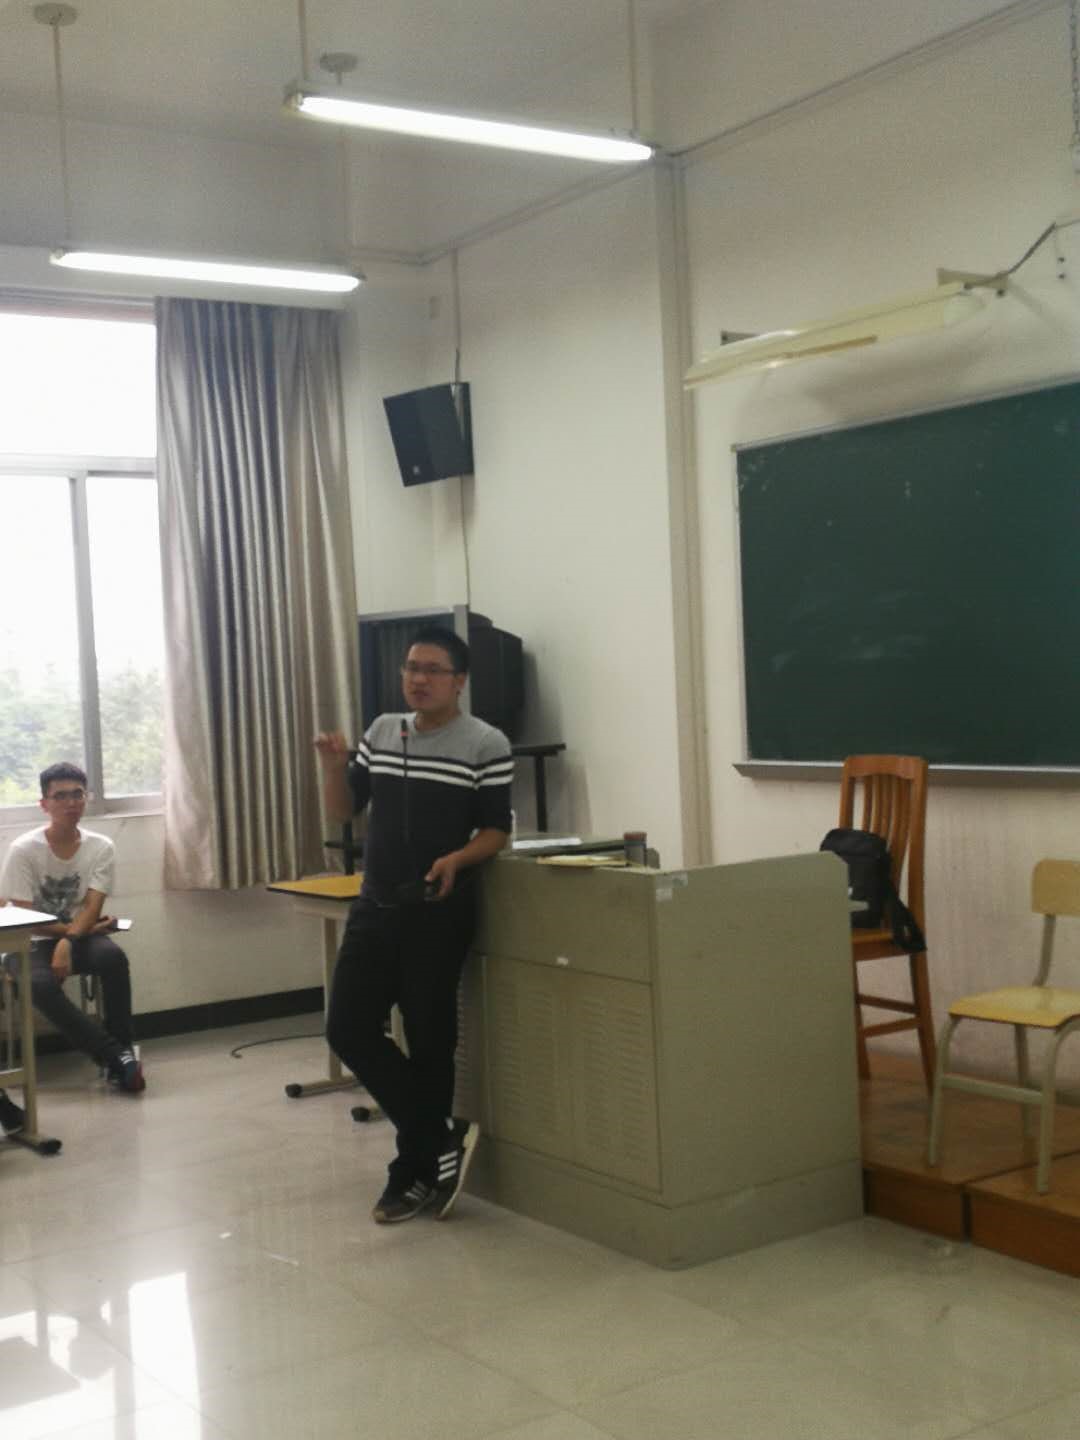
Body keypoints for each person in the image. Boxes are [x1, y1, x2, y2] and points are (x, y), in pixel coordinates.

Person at [317, 625, 513, 1223]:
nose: (417, 679)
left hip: (438, 911)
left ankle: (413, 1170)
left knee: (430, 1042)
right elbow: (343, 809)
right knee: (347, 1027)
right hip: (375, 906)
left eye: (432, 670)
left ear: (459, 681)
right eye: (410, 668)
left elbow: (496, 831)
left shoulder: (485, 742)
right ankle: (438, 1134)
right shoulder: (383, 731)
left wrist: (458, 858)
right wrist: (333, 765)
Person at [0, 762, 145, 1092]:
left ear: (86, 798)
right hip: (27, 939)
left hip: (77, 935)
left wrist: (70, 941)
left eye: (77, 794)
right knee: (38, 983)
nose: (71, 803)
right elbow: (24, 916)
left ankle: (122, 1051)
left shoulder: (101, 847)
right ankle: (118, 1058)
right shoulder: (24, 849)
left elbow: (93, 908)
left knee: (113, 958)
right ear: (44, 804)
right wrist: (82, 932)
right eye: (60, 796)